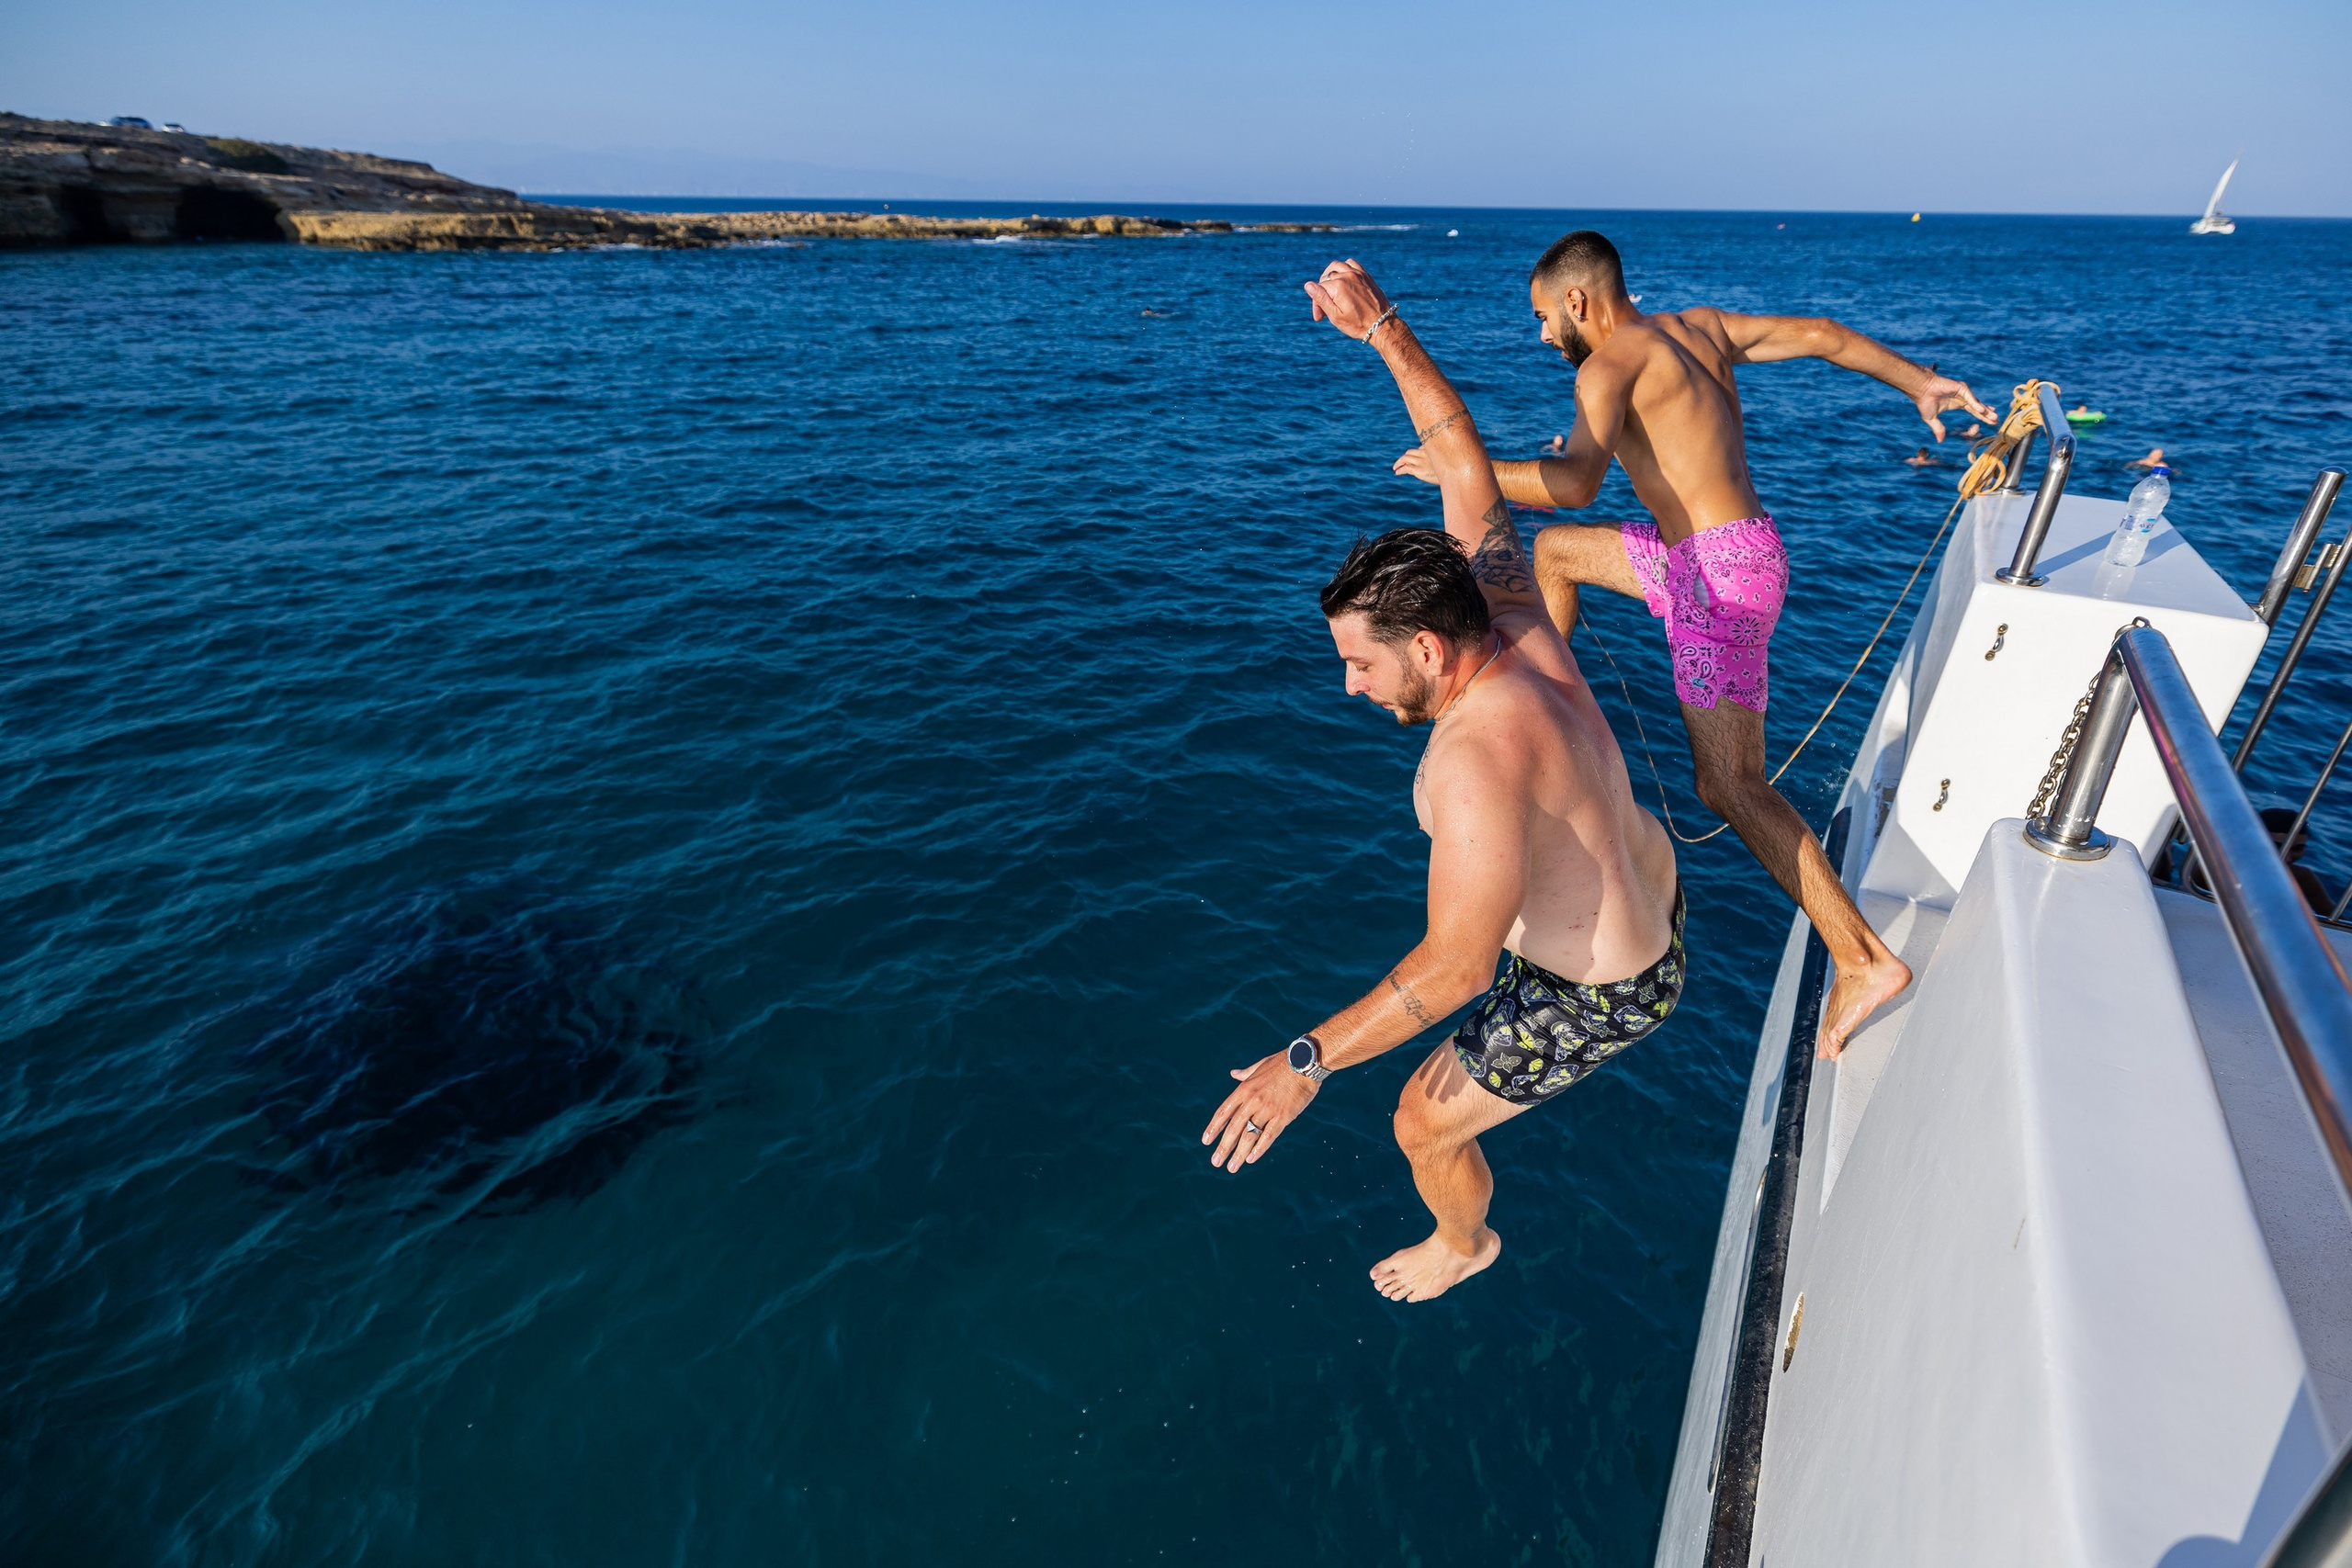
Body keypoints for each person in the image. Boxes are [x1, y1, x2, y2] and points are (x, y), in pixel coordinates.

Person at [1202, 259, 1682, 1303]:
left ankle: (1466, 1245)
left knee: (1419, 1121)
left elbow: (1455, 969)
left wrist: (1303, 1062)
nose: (1347, 687)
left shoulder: (1473, 761)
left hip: (1606, 989)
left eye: (1361, 665)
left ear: (1424, 648)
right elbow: (1460, 449)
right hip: (1648, 886)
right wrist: (1379, 328)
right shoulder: (1504, 602)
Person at [1395, 231, 1995, 1055]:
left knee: (1731, 784)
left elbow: (1574, 483)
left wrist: (1461, 471)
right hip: (1722, 554)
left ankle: (1863, 958)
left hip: (1717, 581)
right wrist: (1919, 380)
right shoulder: (1699, 327)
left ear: (1578, 300)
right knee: (1556, 556)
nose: (1540, 337)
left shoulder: (1607, 366)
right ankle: (1546, 706)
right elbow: (1822, 332)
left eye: (1542, 317)